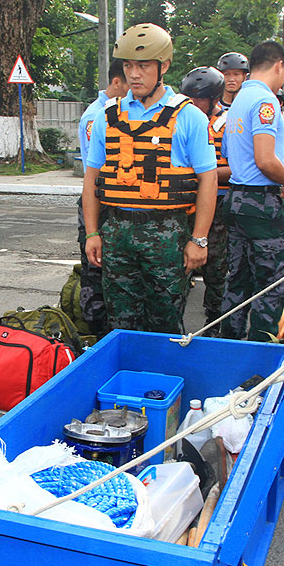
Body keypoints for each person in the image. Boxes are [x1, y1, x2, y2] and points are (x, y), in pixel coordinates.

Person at [82, 23, 217, 333]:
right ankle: (130, 380)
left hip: (167, 234)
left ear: (164, 66)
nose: (134, 74)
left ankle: (165, 380)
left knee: (166, 322)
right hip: (116, 233)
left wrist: (199, 239)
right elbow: (91, 179)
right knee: (120, 324)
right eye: (129, 66)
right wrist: (92, 232)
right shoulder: (106, 116)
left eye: (143, 66)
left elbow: (208, 181)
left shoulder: (189, 117)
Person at [220, 41, 284, 342]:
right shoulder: (265, 101)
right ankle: (262, 351)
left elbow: (230, 152)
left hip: (236, 198)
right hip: (260, 202)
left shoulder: (238, 101)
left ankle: (229, 344)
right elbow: (264, 159)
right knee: (272, 284)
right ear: (279, 66)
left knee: (238, 280)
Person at [76, 59, 128, 338]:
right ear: (116, 82)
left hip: (110, 202)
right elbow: (96, 171)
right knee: (96, 270)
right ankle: (95, 333)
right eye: (128, 83)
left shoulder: (117, 112)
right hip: (97, 201)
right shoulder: (98, 117)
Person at [179, 66, 231, 335]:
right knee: (179, 267)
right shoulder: (182, 120)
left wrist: (204, 173)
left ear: (214, 99)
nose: (195, 104)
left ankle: (214, 324)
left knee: (216, 267)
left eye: (201, 99)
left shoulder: (229, 124)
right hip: (186, 204)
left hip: (218, 204)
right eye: (191, 98)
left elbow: (238, 167)